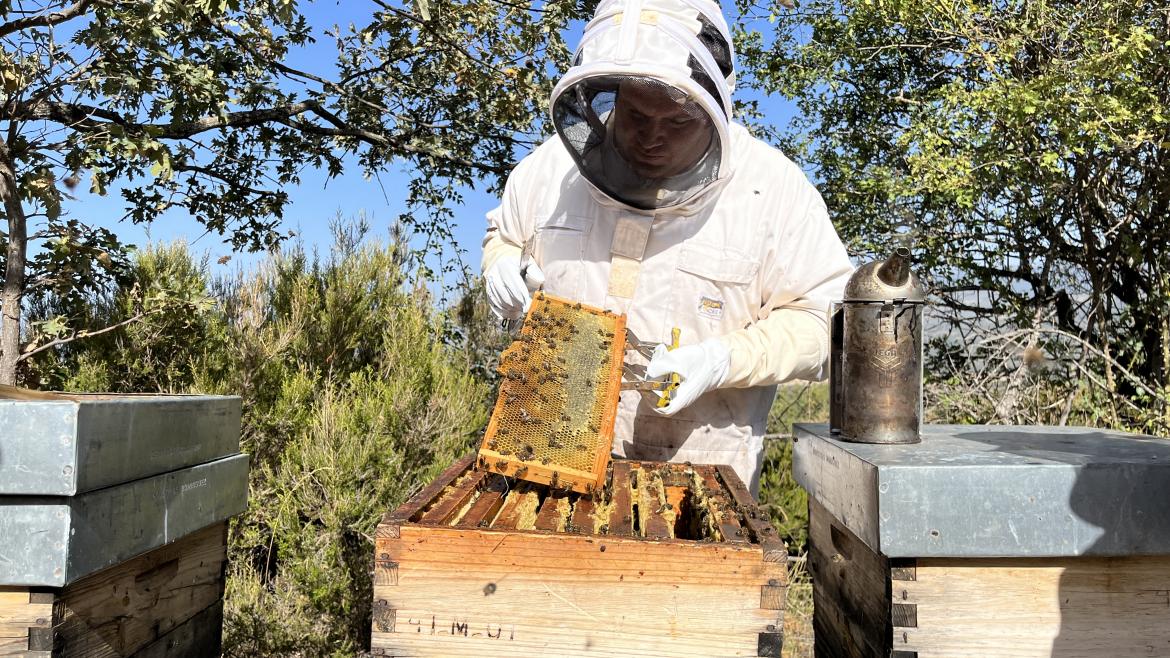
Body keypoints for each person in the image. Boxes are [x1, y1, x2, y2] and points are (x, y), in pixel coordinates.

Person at [481, 0, 853, 496]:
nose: (653, 138)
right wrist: (502, 264)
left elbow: (824, 323)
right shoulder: (549, 172)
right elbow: (504, 236)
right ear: (608, 93)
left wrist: (723, 359)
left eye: (677, 122)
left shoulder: (775, 191)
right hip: (547, 464)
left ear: (712, 105)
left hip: (701, 488)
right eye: (635, 115)